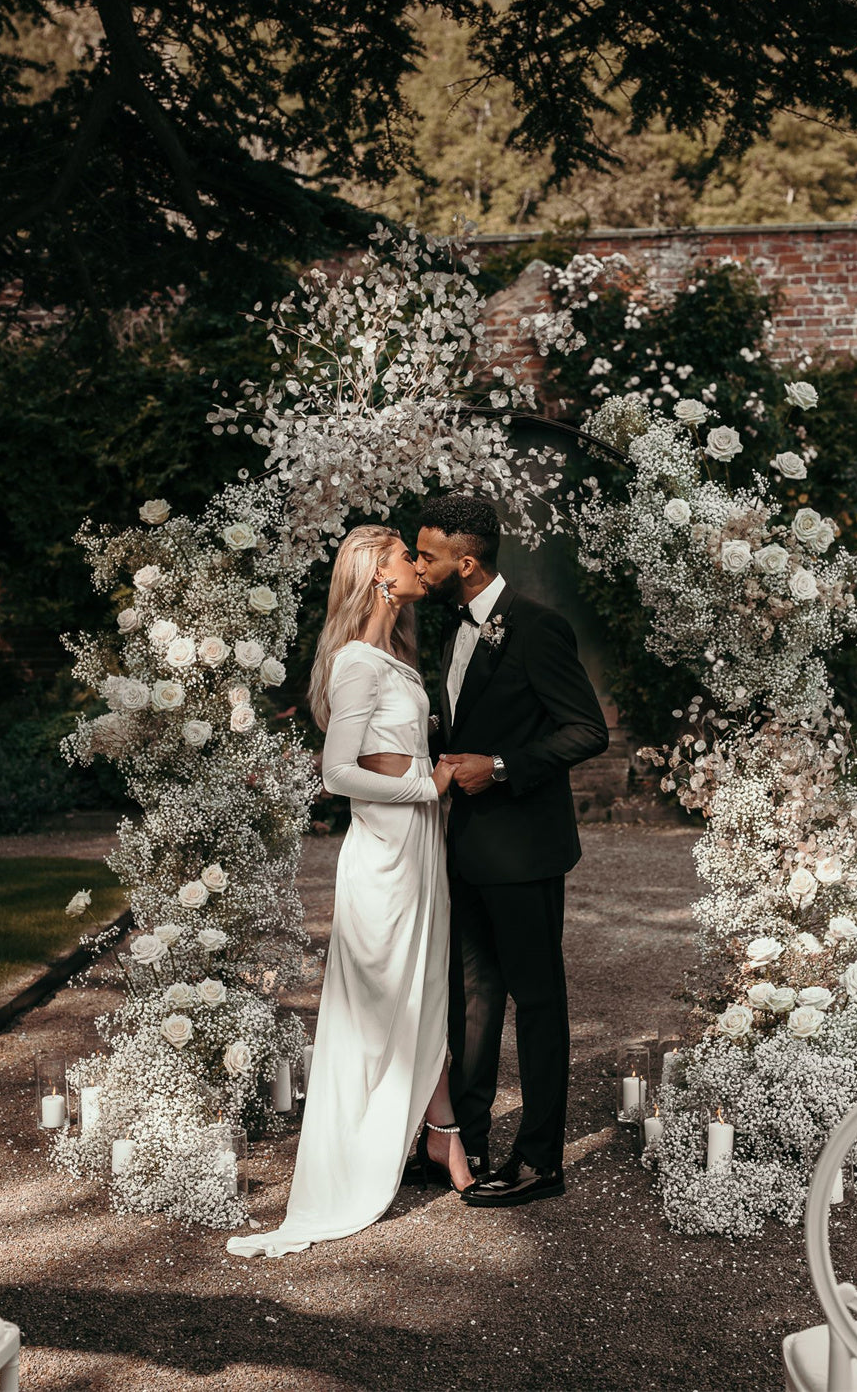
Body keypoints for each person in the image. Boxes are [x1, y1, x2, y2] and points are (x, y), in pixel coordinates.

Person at [226, 525, 472, 1260]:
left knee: (426, 992)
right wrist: (424, 783)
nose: (415, 564)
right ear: (376, 577)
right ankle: (402, 1144)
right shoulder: (356, 664)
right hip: (385, 855)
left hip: (421, 848)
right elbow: (338, 775)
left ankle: (440, 1133)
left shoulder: (393, 657)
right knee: (380, 1006)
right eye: (404, 555)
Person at [415, 493, 609, 1207]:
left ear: (465, 562)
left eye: (427, 555)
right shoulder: (447, 627)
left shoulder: (535, 627)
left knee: (537, 1001)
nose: (417, 564)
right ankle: (462, 1141)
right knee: (470, 999)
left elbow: (587, 730)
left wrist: (496, 766)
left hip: (525, 849)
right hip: (463, 846)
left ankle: (539, 1160)